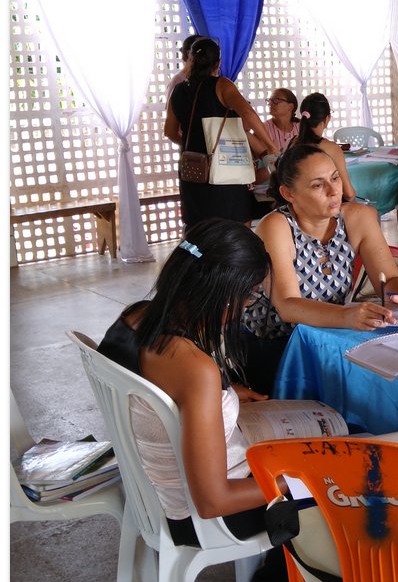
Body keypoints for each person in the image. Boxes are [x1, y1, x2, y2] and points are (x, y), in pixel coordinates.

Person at [97, 220, 282, 550]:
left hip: (153, 496)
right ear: (223, 294)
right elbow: (213, 501)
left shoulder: (135, 316)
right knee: (340, 483)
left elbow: (166, 387)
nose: (247, 306)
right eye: (250, 294)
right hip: (204, 519)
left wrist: (221, 396)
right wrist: (298, 480)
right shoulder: (194, 369)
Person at [241, 144, 398, 393]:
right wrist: (346, 316)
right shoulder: (276, 226)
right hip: (275, 346)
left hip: (327, 338)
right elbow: (287, 305)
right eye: (318, 185)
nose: (334, 191)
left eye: (335, 178)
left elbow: (388, 278)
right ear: (289, 194)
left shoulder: (358, 217)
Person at [164, 37, 278, 232]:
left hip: (194, 170)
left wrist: (194, 145)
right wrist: (271, 145)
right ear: (218, 63)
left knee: (199, 228)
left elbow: (170, 132)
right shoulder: (222, 85)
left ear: (190, 60)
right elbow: (248, 113)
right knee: (236, 227)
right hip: (226, 167)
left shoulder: (179, 90)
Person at [290, 92, 357, 201]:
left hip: (296, 205)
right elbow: (348, 194)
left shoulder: (291, 143)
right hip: (320, 208)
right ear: (327, 119)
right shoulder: (332, 149)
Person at [164, 33, 202, 105]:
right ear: (189, 53)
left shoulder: (203, 76)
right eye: (200, 51)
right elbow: (170, 108)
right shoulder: (177, 80)